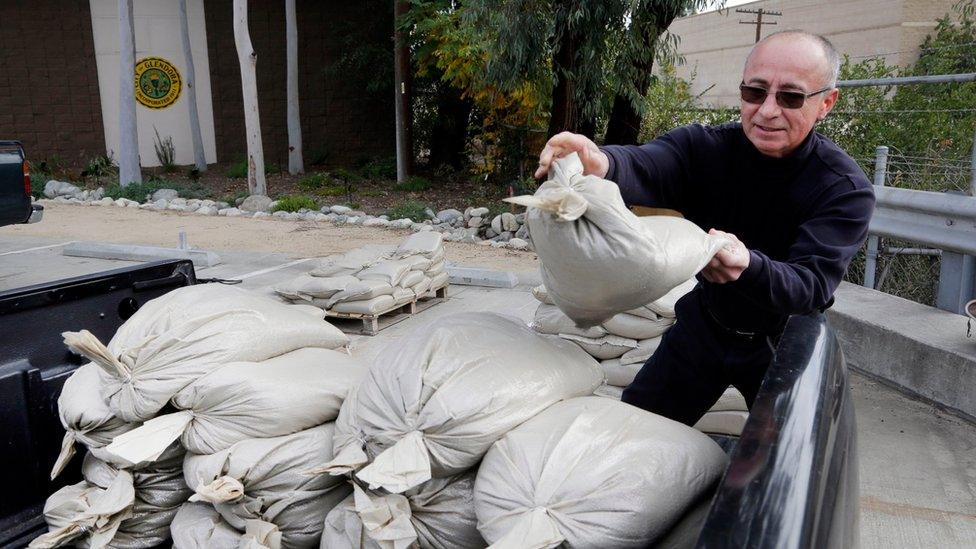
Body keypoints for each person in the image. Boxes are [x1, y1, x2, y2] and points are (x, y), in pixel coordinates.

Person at [534, 31, 875, 426]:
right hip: (707, 324)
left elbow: (809, 285)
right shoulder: (705, 148)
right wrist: (598, 160)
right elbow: (649, 164)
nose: (766, 111)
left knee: (792, 467)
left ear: (825, 104)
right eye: (755, 92)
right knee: (630, 431)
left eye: (790, 97)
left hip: (785, 341)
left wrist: (748, 265)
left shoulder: (843, 189)